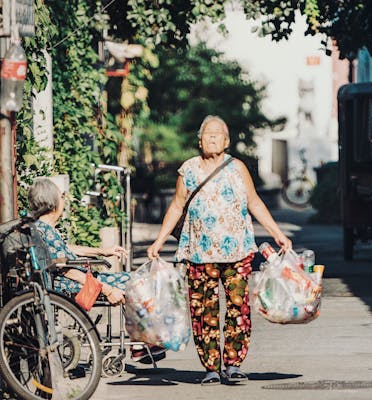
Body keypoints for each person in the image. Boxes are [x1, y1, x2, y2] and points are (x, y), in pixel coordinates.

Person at [147, 115, 292, 385]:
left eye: (217, 134)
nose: (211, 138)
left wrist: (278, 234)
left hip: (237, 252)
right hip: (198, 253)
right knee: (203, 311)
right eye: (207, 134)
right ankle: (211, 367)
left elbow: (255, 203)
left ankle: (234, 364)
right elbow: (177, 206)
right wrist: (159, 241)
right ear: (199, 140)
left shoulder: (237, 168)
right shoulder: (188, 170)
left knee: (239, 308)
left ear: (226, 141)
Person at [28, 178, 166, 364]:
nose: (64, 201)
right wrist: (107, 290)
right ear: (52, 202)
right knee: (137, 282)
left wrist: (103, 251)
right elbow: (65, 269)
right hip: (71, 283)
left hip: (73, 279)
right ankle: (141, 344)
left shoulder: (42, 228)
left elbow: (66, 250)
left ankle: (141, 342)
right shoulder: (45, 230)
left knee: (135, 278)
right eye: (61, 197)